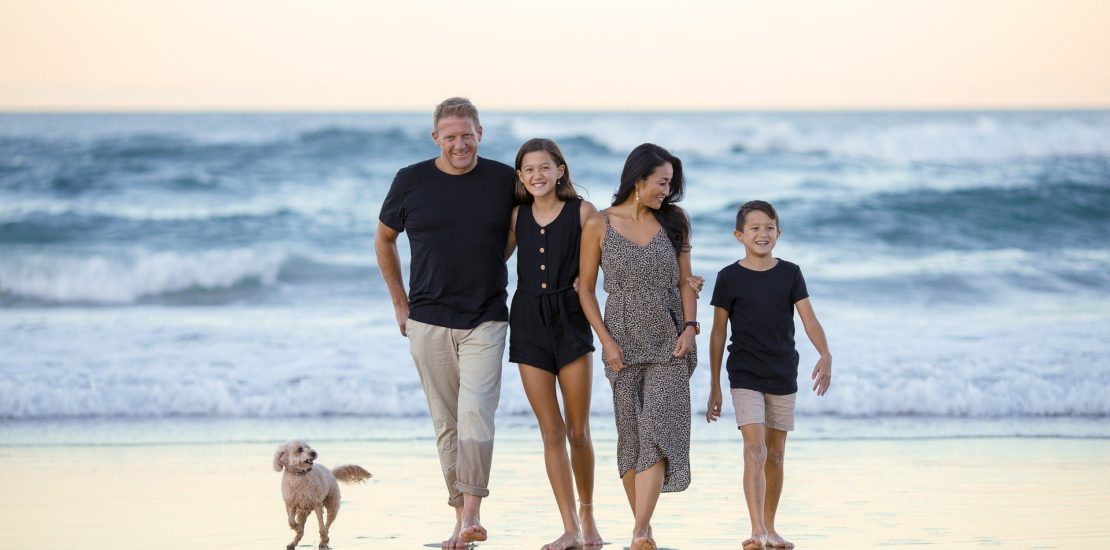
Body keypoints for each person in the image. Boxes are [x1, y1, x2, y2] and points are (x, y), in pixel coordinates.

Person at [374, 97, 515, 549]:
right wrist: (400, 303)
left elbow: (525, 226)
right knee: (446, 422)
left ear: (481, 133)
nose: (460, 144)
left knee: (477, 414)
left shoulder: (503, 179)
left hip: (487, 316)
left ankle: (471, 512)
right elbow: (384, 239)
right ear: (436, 138)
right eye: (450, 136)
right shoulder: (410, 180)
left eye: (467, 135)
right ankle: (461, 522)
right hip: (428, 320)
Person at [578, 143, 698, 550]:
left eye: (670, 184)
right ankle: (641, 530)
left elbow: (686, 279)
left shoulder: (675, 221)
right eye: (661, 182)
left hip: (670, 337)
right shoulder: (598, 224)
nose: (666, 191)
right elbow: (586, 290)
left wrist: (691, 327)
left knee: (657, 426)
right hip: (621, 340)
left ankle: (641, 529)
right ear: (638, 179)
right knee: (629, 435)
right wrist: (606, 341)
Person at [705, 200, 833, 550]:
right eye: (755, 228)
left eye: (769, 228)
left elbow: (808, 319)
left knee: (776, 454)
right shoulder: (728, 277)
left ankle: (771, 528)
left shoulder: (790, 273)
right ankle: (756, 529)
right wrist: (715, 384)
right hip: (744, 373)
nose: (763, 234)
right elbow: (718, 333)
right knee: (755, 449)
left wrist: (825, 353)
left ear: (778, 232)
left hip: (782, 372)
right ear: (739, 235)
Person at [506, 138, 603, 550]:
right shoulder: (516, 217)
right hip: (527, 320)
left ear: (560, 170)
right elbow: (489, 261)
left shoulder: (583, 212)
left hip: (571, 320)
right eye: (528, 170)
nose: (537, 176)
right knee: (551, 430)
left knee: (578, 431)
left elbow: (604, 261)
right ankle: (568, 527)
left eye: (545, 167)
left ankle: (587, 513)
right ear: (520, 177)